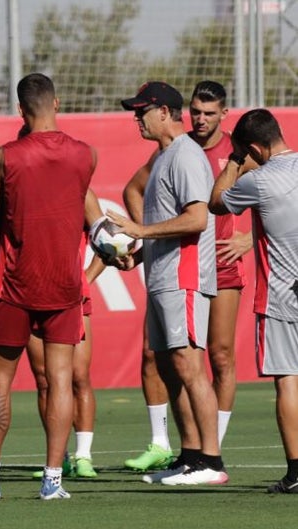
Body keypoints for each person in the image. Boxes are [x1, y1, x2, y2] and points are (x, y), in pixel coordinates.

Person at [0, 73, 93, 502]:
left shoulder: (6, 156)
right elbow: (88, 214)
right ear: (57, 102)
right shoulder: (85, 155)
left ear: (21, 110)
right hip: (64, 284)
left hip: (15, 284)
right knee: (59, 380)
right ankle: (53, 480)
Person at [122, 81, 247, 472]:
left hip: (185, 276)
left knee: (192, 366)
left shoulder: (186, 155)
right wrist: (138, 252)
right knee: (172, 368)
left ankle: (211, 461)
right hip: (163, 275)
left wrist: (141, 231)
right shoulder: (164, 156)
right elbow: (164, 217)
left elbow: (197, 218)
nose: (136, 119)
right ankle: (190, 456)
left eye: (141, 111)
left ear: (163, 112)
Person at [209, 108, 298, 493]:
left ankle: (296, 473)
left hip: (281, 295)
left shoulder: (259, 180)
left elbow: (215, 202)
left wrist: (232, 160)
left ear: (256, 149)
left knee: (288, 381)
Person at [26, 189, 107, 480]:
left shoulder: (81, 193)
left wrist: (84, 280)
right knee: (44, 379)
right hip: (31, 295)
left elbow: (106, 241)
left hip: (73, 298)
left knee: (79, 377)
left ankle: (83, 455)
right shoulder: (23, 187)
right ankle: (58, 457)